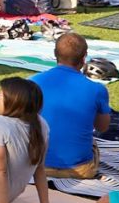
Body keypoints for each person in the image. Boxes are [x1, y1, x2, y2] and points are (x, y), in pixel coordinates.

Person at [30, 32, 112, 177]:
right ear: (84, 57)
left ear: (55, 53)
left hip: (35, 166)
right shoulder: (97, 89)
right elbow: (102, 127)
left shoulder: (31, 83)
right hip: (79, 169)